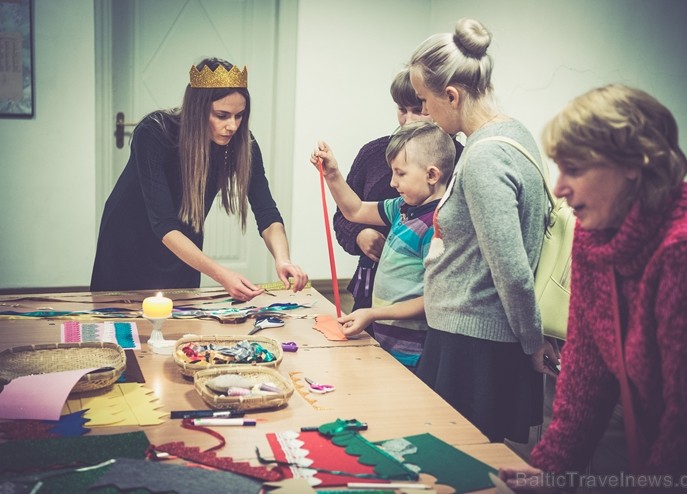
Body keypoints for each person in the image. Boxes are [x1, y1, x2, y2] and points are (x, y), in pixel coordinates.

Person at [499, 85, 687, 493]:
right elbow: (585, 369)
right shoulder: (597, 237)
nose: (558, 188)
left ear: (632, 164)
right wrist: (552, 470)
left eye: (574, 170)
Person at [408, 18, 559, 443]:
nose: (423, 112)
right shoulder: (515, 134)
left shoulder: (483, 159)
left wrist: (532, 343)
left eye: (424, 100)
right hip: (473, 339)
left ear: (451, 96)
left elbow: (511, 268)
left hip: (474, 347)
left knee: (459, 462)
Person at [91, 57, 307, 300]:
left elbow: (267, 212)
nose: (233, 126)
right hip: (129, 243)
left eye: (239, 116)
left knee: (181, 324)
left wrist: (283, 258)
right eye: (222, 115)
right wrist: (222, 274)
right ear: (197, 110)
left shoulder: (243, 144)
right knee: (120, 328)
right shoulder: (154, 132)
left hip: (184, 244)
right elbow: (163, 223)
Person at [311, 121, 456, 369]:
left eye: (400, 174)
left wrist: (373, 313)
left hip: (413, 352)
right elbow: (354, 210)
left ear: (432, 175)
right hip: (387, 340)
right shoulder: (401, 208)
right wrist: (332, 174)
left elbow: (432, 300)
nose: (392, 183)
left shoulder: (437, 226)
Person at [334, 67, 463, 317]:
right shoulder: (373, 154)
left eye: (419, 110)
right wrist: (361, 235)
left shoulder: (460, 163)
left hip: (420, 308)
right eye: (402, 110)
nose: (408, 120)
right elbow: (347, 213)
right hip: (373, 293)